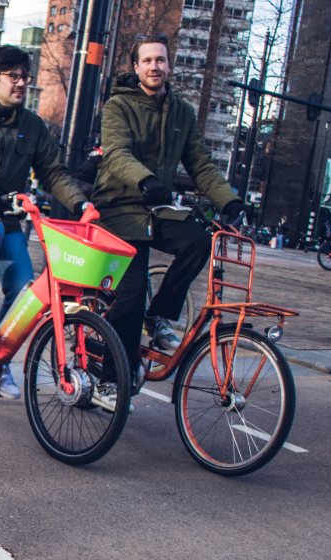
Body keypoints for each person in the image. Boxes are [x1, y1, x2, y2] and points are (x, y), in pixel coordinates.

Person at [0, 46, 93, 399]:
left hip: (7, 219)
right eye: (14, 77)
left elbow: (53, 172)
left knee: (26, 292)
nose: (22, 83)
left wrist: (80, 202)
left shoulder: (33, 126)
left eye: (26, 76)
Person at [92, 34, 244, 381]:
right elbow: (116, 153)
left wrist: (228, 199)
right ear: (136, 67)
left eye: (160, 60)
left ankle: (159, 314)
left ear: (169, 65)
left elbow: (200, 163)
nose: (154, 66)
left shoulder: (181, 111)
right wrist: (145, 180)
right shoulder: (119, 106)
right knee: (129, 298)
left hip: (156, 208)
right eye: (146, 61)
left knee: (198, 240)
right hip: (118, 207)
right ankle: (112, 379)